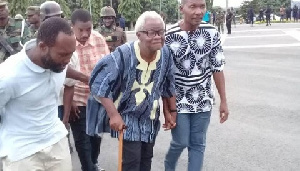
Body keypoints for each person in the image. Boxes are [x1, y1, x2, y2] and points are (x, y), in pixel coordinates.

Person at [87, 11, 176, 171]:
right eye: (151, 33)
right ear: (139, 35)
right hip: (127, 116)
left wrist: (170, 111)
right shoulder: (123, 54)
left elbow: (168, 84)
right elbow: (98, 81)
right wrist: (113, 115)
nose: (158, 36)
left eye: (161, 32)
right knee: (131, 163)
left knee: (146, 161)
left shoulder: (166, 54)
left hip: (150, 118)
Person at [0, 17, 77, 171]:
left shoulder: (58, 64)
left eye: (71, 54)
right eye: (63, 55)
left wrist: (85, 77)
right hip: (22, 154)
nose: (68, 60)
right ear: (42, 47)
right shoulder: (9, 76)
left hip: (56, 143)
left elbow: (65, 69)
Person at [164, 0, 229, 170]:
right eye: (193, 6)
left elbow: (217, 68)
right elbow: (165, 76)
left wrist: (223, 100)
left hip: (203, 98)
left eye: (202, 6)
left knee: (198, 144)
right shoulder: (169, 35)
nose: (199, 11)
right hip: (177, 101)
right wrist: (167, 109)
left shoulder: (212, 32)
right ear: (182, 9)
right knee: (180, 141)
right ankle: (169, 165)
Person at [68, 9, 110, 171]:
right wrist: (69, 101)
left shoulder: (99, 39)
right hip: (76, 99)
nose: (85, 34)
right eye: (81, 30)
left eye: (89, 29)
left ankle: (93, 164)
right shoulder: (66, 42)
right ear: (72, 27)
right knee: (82, 139)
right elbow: (61, 75)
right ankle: (88, 167)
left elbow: (107, 66)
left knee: (95, 137)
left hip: (97, 99)